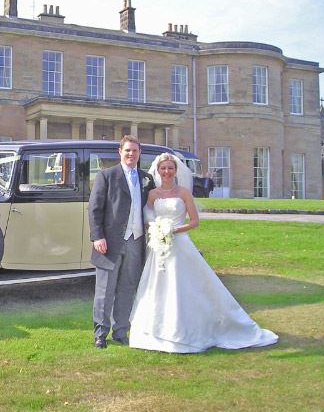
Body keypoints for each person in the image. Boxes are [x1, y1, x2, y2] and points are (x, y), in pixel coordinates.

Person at [129, 153, 278, 353]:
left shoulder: (183, 193)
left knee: (185, 286)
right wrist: (157, 228)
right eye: (163, 168)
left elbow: (194, 221)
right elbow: (147, 215)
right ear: (158, 170)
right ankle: (158, 330)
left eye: (170, 168)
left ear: (176, 171)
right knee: (159, 286)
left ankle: (193, 330)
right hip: (159, 246)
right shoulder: (153, 194)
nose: (166, 172)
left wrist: (173, 230)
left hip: (180, 244)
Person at [88, 135, 154, 349]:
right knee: (105, 291)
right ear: (120, 152)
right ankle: (100, 333)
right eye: (127, 150)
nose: (131, 154)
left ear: (139, 153)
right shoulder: (106, 176)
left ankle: (120, 331)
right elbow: (95, 208)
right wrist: (97, 236)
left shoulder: (146, 179)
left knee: (127, 288)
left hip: (136, 241)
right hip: (110, 241)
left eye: (135, 151)